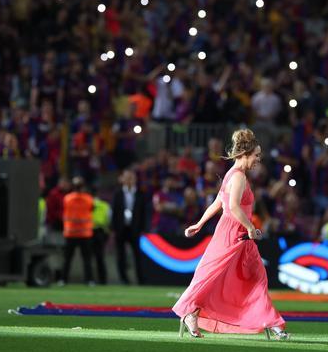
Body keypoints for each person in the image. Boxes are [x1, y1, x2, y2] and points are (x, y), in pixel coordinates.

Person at [172, 129, 288, 340]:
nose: (258, 160)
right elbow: (233, 206)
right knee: (213, 276)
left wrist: (200, 223)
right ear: (244, 154)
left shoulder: (231, 175)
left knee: (254, 278)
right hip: (235, 233)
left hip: (236, 233)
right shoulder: (239, 177)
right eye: (256, 155)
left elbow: (219, 202)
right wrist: (251, 227)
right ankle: (190, 311)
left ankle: (273, 322)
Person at [112, 169, 147, 284]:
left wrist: (143, 228)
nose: (129, 180)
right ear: (122, 179)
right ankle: (123, 279)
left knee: (137, 255)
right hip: (121, 229)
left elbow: (144, 213)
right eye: (126, 177)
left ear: (135, 179)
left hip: (135, 229)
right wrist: (114, 229)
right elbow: (115, 212)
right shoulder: (117, 193)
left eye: (131, 177)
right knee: (120, 255)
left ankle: (141, 279)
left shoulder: (140, 194)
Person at [61, 176, 95, 285]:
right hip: (85, 233)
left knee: (67, 259)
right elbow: (91, 208)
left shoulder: (67, 198)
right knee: (87, 259)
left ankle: (63, 279)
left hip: (70, 232)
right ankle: (89, 280)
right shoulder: (89, 199)